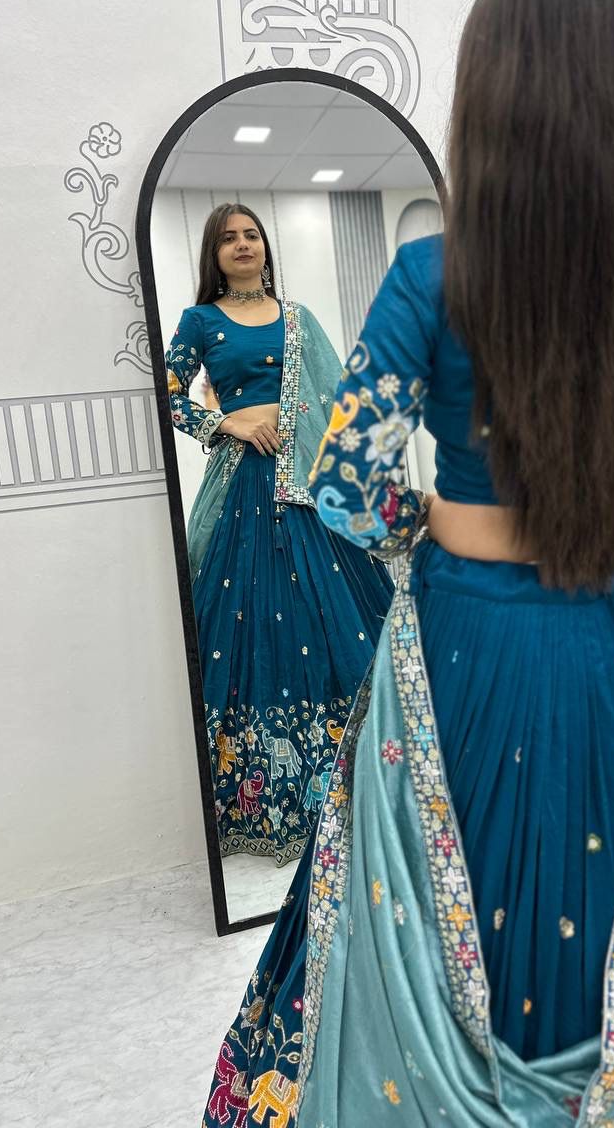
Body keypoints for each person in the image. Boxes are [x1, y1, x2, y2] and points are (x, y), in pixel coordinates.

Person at [201, 0, 614, 1126]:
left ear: (487, 98)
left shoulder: (431, 274)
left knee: (450, 909)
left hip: (461, 643)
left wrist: (429, 516)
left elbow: (345, 485)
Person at [166, 204, 393, 866]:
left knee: (331, 620)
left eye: (251, 235)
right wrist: (225, 422)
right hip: (243, 487)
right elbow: (167, 393)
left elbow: (341, 402)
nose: (242, 245)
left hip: (308, 486)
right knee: (255, 623)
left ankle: (361, 781)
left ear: (265, 246)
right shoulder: (200, 322)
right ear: (214, 254)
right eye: (228, 238)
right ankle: (267, 796)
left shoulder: (298, 319)